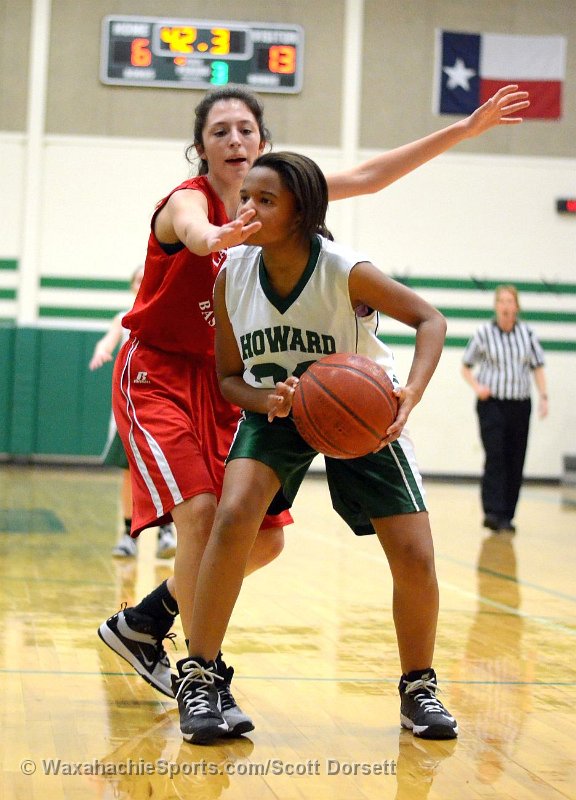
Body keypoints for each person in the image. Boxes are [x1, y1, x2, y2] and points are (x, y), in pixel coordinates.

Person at [97, 84, 529, 735]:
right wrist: (222, 235)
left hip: (342, 398)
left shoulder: (320, 240)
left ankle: (152, 619)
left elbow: (373, 180)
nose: (235, 141)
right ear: (201, 148)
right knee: (215, 519)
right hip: (190, 378)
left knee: (289, 542)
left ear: (272, 158)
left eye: (246, 129)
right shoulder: (208, 221)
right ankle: (200, 676)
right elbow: (196, 234)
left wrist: (463, 130)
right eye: (220, 131)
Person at [176, 151, 455, 745]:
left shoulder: (344, 269)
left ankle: (419, 688)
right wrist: (266, 400)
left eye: (265, 200)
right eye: (244, 198)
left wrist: (410, 392)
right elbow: (228, 378)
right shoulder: (232, 275)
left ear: (301, 212)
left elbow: (430, 320)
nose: (247, 209)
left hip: (361, 410)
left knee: (415, 555)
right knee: (232, 516)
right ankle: (200, 677)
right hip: (277, 409)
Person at [89, 266, 177, 559]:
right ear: (131, 285)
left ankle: (167, 532)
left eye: (146, 277)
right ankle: (129, 535)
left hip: (162, 402)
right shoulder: (123, 317)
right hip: (130, 405)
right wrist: (102, 350)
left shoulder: (167, 313)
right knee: (128, 473)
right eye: (138, 279)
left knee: (167, 470)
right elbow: (108, 338)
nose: (142, 282)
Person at [461, 284, 548, 533]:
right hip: (492, 404)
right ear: (496, 306)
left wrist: (544, 396)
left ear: (517, 307)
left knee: (515, 458)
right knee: (496, 455)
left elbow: (538, 367)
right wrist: (477, 387)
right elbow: (466, 366)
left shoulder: (528, 334)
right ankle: (492, 511)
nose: (505, 306)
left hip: (520, 404)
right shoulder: (484, 333)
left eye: (510, 301)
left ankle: (507, 515)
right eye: (501, 301)